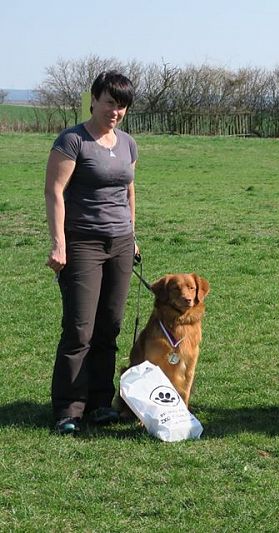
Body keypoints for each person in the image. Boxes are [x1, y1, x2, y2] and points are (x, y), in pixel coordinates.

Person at [45, 71, 139, 435]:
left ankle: (101, 402)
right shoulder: (72, 140)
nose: (115, 111)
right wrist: (59, 243)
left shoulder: (128, 144)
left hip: (120, 243)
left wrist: (132, 236)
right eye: (110, 103)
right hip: (82, 242)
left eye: (122, 106)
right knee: (79, 328)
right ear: (94, 100)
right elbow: (55, 191)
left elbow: (128, 191)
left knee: (109, 326)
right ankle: (69, 408)